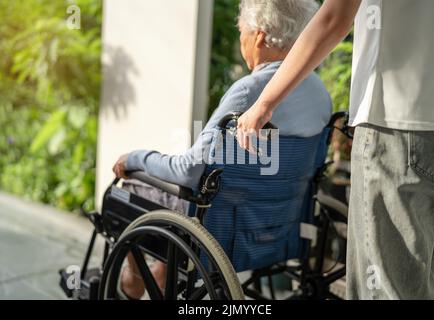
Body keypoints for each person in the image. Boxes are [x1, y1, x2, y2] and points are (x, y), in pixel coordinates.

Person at [112, 0, 332, 299]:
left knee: (127, 188)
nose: (242, 40)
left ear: (260, 36)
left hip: (222, 233)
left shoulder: (249, 91)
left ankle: (132, 282)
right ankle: (163, 276)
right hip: (276, 229)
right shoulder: (320, 94)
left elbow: (188, 171)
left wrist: (136, 157)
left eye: (242, 32)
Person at [236, 0, 434, 300]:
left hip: (395, 122)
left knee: (386, 291)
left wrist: (264, 103)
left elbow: (335, 17)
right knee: (429, 288)